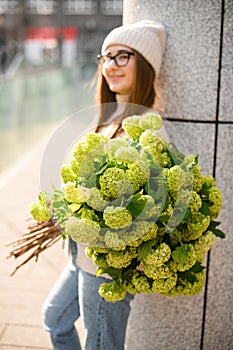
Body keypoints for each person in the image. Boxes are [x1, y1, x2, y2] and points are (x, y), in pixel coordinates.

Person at [42, 19, 166, 350]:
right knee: (54, 320)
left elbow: (149, 208)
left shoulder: (148, 130)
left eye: (122, 56)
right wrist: (61, 207)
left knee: (101, 345)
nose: (110, 65)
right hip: (81, 255)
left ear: (146, 64)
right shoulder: (109, 119)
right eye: (106, 57)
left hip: (107, 268)